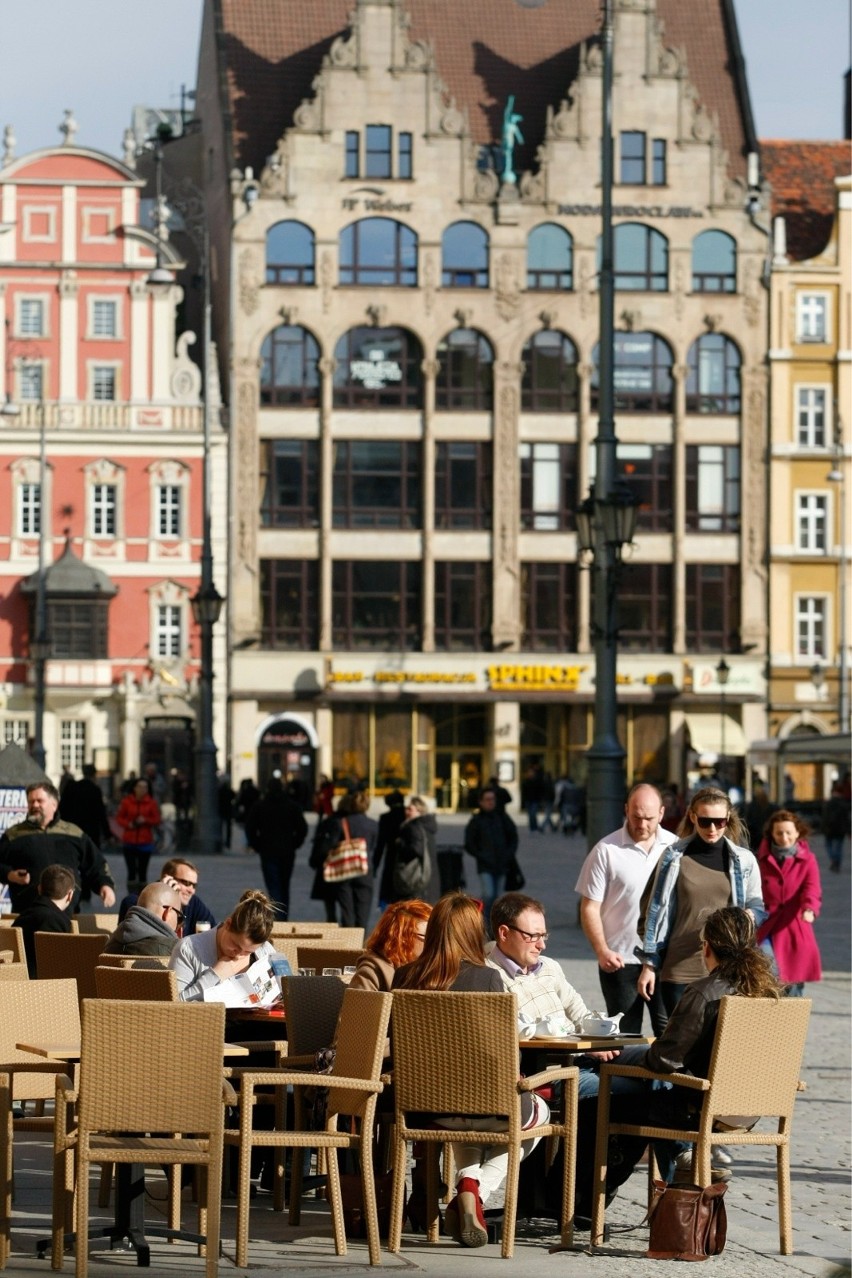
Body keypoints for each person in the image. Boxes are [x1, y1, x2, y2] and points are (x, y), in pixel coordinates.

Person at [585, 907, 783, 1196]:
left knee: (608, 1095)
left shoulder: (705, 992)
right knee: (656, 1089)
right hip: (750, 1109)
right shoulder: (769, 994)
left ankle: (586, 1201)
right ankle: (682, 1170)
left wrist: (625, 1053)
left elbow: (664, 1059)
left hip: (698, 1108)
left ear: (707, 947)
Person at [393, 893, 532, 1248]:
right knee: (536, 1114)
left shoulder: (404, 975)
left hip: (426, 1110)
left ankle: (467, 1185)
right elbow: (499, 1054)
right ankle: (472, 1189)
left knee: (462, 1116)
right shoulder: (487, 979)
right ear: (474, 933)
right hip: (484, 1107)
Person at [635, 786, 765, 1018]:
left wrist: (750, 915)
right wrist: (649, 964)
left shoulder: (744, 860)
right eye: (705, 821)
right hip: (679, 966)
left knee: (720, 1042)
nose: (712, 828)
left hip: (726, 968)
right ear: (693, 816)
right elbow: (651, 910)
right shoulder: (674, 857)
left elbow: (758, 905)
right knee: (678, 1043)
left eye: (719, 822)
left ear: (727, 819)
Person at [486, 892, 618, 1098]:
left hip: (584, 1057)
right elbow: (525, 1035)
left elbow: (580, 1013)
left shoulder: (549, 966)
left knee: (654, 1067)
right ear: (504, 933)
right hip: (550, 1071)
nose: (542, 945)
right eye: (533, 936)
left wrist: (603, 1038)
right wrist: (584, 1049)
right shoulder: (491, 977)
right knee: (628, 1086)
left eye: (543, 936)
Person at [574, 783, 677, 1035]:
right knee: (625, 1035)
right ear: (625, 811)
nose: (642, 824)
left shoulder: (675, 848)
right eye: (636, 817)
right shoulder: (606, 850)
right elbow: (589, 907)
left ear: (662, 814)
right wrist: (602, 950)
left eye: (649, 819)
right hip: (620, 960)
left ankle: (664, 1077)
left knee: (669, 1032)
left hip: (664, 958)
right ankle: (627, 1076)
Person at [0, 781, 116, 913]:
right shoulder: (14, 835)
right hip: (27, 913)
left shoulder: (74, 833)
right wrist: (10, 875)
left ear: (54, 804)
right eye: (31, 802)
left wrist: (105, 885)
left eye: (39, 801)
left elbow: (96, 864)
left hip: (68, 914)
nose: (35, 805)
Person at [755, 809, 822, 996]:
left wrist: (809, 908)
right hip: (766, 925)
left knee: (793, 985)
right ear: (772, 834)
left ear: (797, 833)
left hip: (794, 926)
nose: (784, 837)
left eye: (788, 833)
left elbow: (812, 888)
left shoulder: (807, 860)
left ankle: (791, 1022)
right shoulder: (760, 859)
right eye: (779, 833)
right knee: (769, 971)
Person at [169, 888, 276, 1002]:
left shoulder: (264, 951)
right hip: (207, 1019)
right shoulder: (189, 949)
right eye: (236, 945)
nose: (239, 955)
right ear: (228, 924)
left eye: (247, 952)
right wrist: (215, 975)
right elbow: (175, 1003)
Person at [310, 790, 376, 928]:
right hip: (364, 870)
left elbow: (330, 845)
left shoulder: (341, 823)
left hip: (345, 870)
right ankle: (361, 941)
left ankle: (350, 943)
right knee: (363, 912)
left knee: (348, 912)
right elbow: (375, 848)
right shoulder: (373, 824)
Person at [244, 776, 308, 920]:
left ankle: (278, 916)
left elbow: (250, 828)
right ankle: (282, 916)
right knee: (284, 885)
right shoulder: (291, 806)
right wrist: (295, 843)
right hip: (287, 850)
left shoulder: (260, 806)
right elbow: (302, 828)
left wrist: (257, 845)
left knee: (273, 885)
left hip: (268, 850)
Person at [118, 856, 216, 936]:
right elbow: (151, 938)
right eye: (186, 883)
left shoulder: (194, 903)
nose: (191, 890)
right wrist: (168, 901)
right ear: (168, 879)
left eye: (194, 885)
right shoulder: (133, 902)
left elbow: (214, 930)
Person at [348, 899, 432, 992]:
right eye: (428, 936)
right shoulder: (373, 971)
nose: (434, 941)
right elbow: (358, 1005)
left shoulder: (429, 968)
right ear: (403, 938)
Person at [463, 788, 518, 921]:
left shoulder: (502, 818)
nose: (490, 802)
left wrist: (508, 854)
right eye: (487, 799)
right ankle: (481, 918)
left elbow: (513, 837)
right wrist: (480, 854)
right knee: (488, 893)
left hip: (502, 863)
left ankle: (493, 922)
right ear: (481, 802)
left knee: (498, 896)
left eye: (492, 799)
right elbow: (469, 843)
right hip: (485, 864)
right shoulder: (476, 820)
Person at [13, 863, 75, 975]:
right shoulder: (56, 922)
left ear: (39, 889)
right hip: (45, 988)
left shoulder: (22, 918)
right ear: (70, 895)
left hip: (17, 984)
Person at [104, 881, 183, 957]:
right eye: (179, 917)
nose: (178, 924)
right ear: (167, 912)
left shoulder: (109, 945)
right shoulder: (175, 951)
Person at [115, 777, 161, 892]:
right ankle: (131, 895)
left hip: (145, 842)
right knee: (131, 871)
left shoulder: (151, 802)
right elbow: (119, 818)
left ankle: (142, 895)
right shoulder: (126, 801)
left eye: (145, 787)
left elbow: (157, 819)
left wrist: (145, 820)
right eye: (139, 787)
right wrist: (129, 824)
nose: (142, 789)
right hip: (129, 841)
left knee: (142, 872)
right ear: (134, 788)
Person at [389, 796, 436, 901]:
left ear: (419, 811)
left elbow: (416, 849)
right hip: (426, 876)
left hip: (413, 877)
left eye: (410, 809)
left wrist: (400, 844)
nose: (406, 811)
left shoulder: (413, 827)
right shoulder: (427, 825)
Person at [373, 790, 407, 908]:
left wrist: (375, 865)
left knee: (388, 889)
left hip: (391, 857)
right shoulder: (407, 815)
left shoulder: (386, 818)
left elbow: (380, 844)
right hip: (406, 857)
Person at [822, 782, 850, 873]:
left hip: (829, 828)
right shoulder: (844, 804)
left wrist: (823, 828)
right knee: (838, 847)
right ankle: (836, 862)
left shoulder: (828, 803)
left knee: (828, 845)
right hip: (840, 829)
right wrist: (849, 831)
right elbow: (847, 819)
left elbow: (825, 817)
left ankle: (834, 860)